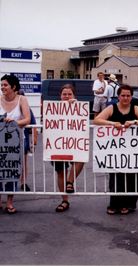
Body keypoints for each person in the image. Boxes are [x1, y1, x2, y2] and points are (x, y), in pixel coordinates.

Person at [94, 84, 138, 215]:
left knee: (134, 177)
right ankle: (114, 204)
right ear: (118, 96)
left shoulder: (135, 109)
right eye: (123, 95)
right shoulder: (111, 108)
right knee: (116, 177)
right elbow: (97, 120)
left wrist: (134, 122)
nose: (125, 98)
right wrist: (112, 123)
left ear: (131, 97)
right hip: (116, 151)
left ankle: (129, 204)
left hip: (134, 151)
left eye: (128, 95)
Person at [0, 74, 31, 214]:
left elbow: (27, 119)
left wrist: (13, 124)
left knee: (13, 170)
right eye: (1, 85)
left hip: (17, 141)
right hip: (0, 141)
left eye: (5, 85)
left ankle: (10, 202)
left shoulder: (22, 99)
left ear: (13, 86)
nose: (2, 87)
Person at [52, 84, 85, 212]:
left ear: (74, 95)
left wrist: (76, 107)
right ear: (60, 96)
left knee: (80, 160)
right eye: (64, 94)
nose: (66, 96)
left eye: (69, 94)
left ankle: (70, 182)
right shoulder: (54, 108)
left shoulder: (79, 107)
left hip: (74, 142)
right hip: (58, 144)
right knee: (61, 172)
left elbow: (83, 123)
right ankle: (64, 200)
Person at [18, 90, 38, 192]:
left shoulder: (27, 110)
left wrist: (34, 141)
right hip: (9, 141)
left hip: (23, 141)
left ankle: (23, 182)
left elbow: (34, 125)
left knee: (24, 163)